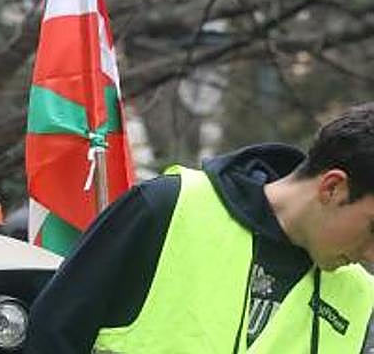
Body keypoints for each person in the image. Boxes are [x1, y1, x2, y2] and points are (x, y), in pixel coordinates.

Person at [26, 103, 374, 354]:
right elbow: (53, 334)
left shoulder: (362, 299)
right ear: (332, 188)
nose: (371, 254)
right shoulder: (166, 208)